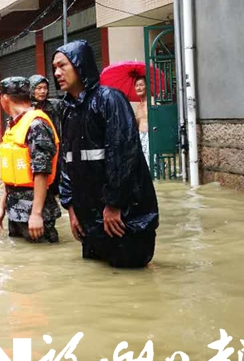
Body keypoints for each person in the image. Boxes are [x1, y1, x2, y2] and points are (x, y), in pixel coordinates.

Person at [53, 40, 159, 268]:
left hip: (124, 216)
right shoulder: (68, 110)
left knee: (130, 280)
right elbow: (67, 163)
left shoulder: (109, 99)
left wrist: (114, 204)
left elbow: (124, 154)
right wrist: (71, 209)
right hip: (88, 221)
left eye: (62, 66)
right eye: (54, 68)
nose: (57, 73)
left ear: (80, 66)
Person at [0, 77, 61, 243]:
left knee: (41, 264)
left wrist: (36, 214)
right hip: (15, 210)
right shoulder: (15, 125)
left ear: (5, 98)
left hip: (36, 213)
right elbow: (12, 172)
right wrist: (2, 206)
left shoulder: (36, 124)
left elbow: (42, 170)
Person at [29, 74, 63, 141]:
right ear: (31, 89)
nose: (43, 91)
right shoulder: (25, 108)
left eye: (45, 88)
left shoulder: (55, 105)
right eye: (39, 88)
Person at [134, 76, 150, 167]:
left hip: (150, 137)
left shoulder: (152, 102)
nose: (139, 88)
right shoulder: (138, 107)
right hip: (141, 138)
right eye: (136, 85)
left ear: (146, 86)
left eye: (141, 85)